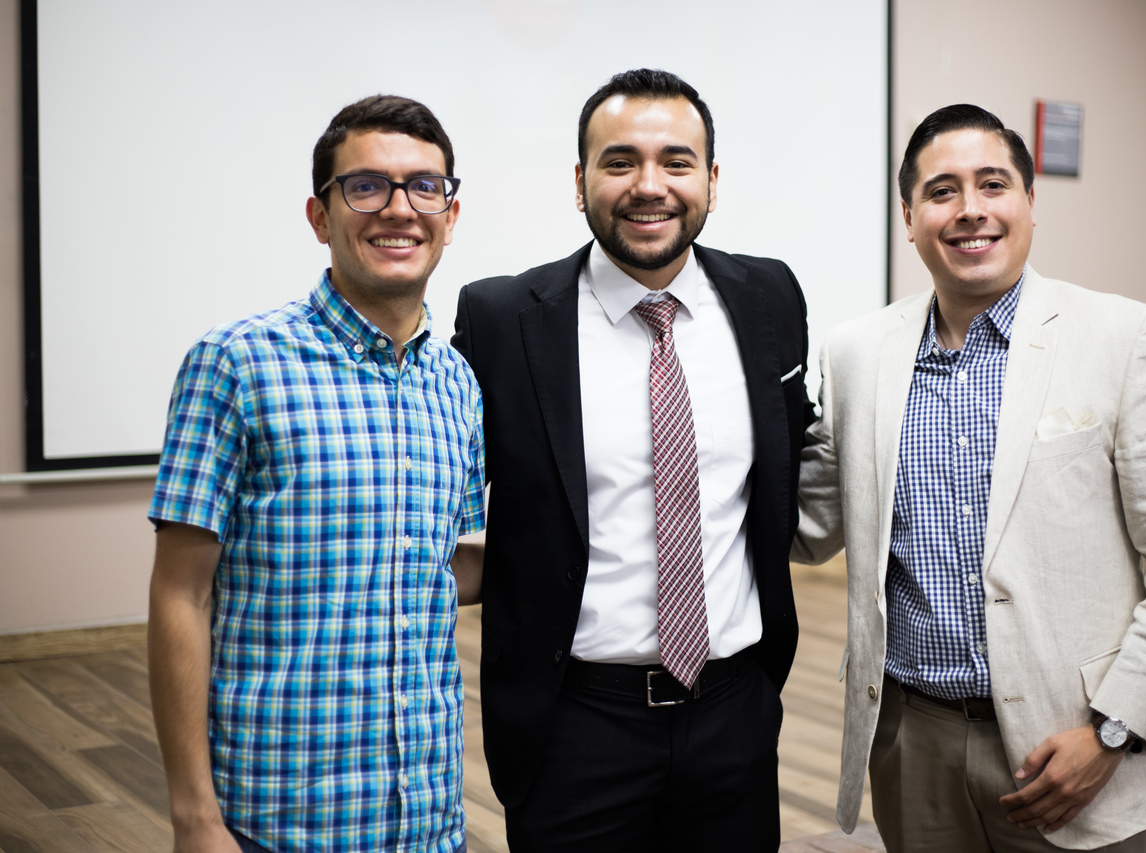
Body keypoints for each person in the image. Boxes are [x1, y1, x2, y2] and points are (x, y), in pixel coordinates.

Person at [792, 103, 1146, 852]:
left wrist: (1113, 729)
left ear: (1030, 201)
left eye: (992, 185)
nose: (970, 211)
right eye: (941, 191)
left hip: (1078, 750)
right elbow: (810, 528)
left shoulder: (1124, 338)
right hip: (913, 745)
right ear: (909, 216)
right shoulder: (857, 351)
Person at [452, 68, 814, 852]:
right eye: (619, 163)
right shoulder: (504, 318)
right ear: (579, 183)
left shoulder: (769, 297)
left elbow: (788, 459)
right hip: (575, 722)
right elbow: (438, 491)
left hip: (733, 714)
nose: (649, 185)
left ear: (711, 182)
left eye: (677, 162)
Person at [147, 94, 484, 853]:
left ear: (450, 216)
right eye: (366, 185)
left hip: (427, 818)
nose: (399, 208)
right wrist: (194, 818)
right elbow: (181, 592)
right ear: (319, 214)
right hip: (278, 817)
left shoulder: (458, 382)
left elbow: (435, 564)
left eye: (424, 186)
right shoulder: (236, 363)